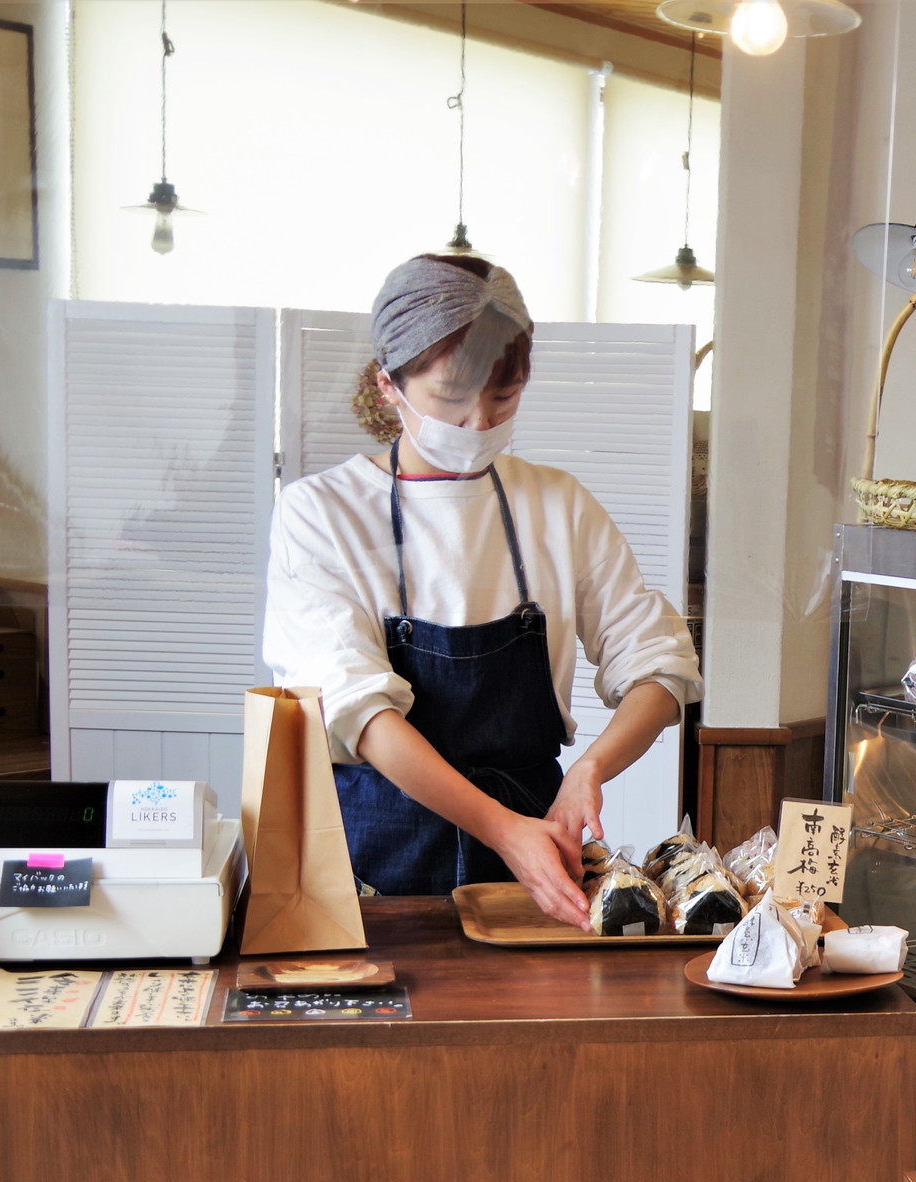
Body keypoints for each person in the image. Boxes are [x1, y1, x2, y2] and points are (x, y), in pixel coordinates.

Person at [263, 255, 699, 925]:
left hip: (535, 849)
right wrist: (502, 830)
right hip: (375, 858)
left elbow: (660, 667)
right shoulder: (321, 512)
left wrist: (590, 769)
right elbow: (359, 712)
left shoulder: (557, 504)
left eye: (503, 397)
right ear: (388, 385)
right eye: (450, 398)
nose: (476, 423)